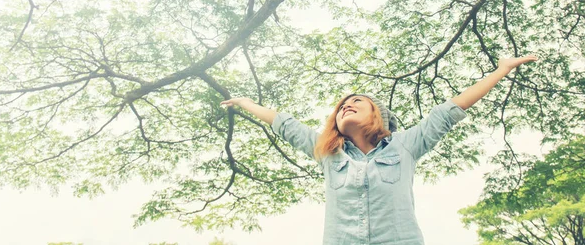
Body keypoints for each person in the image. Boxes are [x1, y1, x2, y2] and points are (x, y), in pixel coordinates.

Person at [220, 56, 538, 245]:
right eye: (342, 105)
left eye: (357, 102)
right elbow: (284, 123)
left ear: (377, 116)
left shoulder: (406, 146)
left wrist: (501, 70)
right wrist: (247, 104)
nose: (347, 105)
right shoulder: (326, 153)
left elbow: (451, 109)